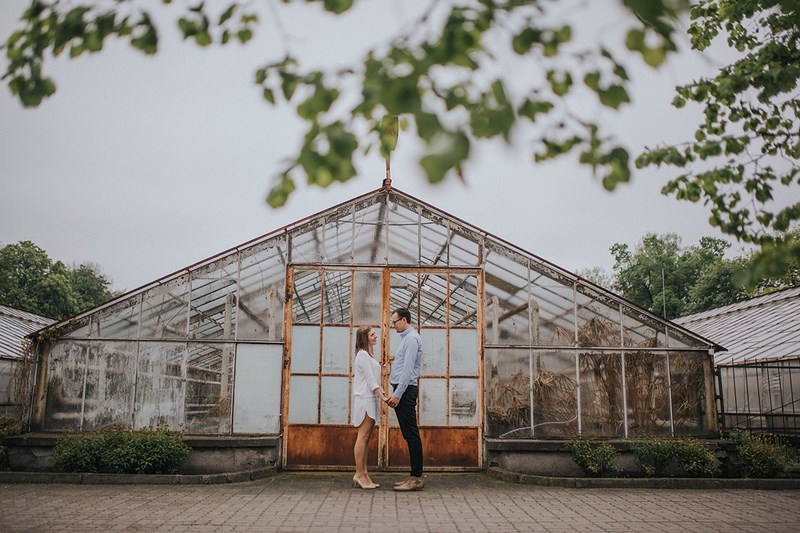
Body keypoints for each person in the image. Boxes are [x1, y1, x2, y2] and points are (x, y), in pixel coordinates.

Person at [387, 307, 424, 491]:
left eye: (394, 322)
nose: (393, 325)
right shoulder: (407, 339)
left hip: (405, 391)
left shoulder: (410, 339)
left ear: (404, 320)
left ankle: (416, 478)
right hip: (404, 390)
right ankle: (413, 476)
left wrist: (397, 394)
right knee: (409, 434)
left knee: (411, 435)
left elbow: (408, 369)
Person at [352, 326, 388, 490]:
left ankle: (364, 473)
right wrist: (383, 397)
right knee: (363, 436)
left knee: (366, 438)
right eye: (372, 334)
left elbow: (374, 380)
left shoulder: (368, 355)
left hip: (370, 398)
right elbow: (371, 380)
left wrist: (380, 394)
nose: (375, 336)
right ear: (365, 337)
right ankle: (359, 474)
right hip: (365, 399)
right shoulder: (363, 355)